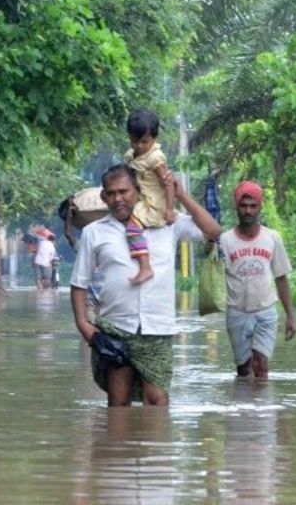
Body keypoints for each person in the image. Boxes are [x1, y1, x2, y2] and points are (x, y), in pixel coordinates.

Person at [70, 164, 221, 407]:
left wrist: (180, 195)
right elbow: (79, 283)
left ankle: (153, 444)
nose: (118, 198)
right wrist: (84, 326)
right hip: (115, 328)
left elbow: (213, 231)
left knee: (157, 401)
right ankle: (120, 446)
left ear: (138, 191)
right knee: (118, 403)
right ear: (103, 197)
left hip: (158, 329)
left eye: (124, 191)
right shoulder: (94, 232)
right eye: (111, 193)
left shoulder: (167, 221)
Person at [216, 180, 296, 380]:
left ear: (260, 207)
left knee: (261, 367)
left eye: (253, 206)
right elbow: (215, 278)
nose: (248, 211)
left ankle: (263, 410)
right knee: (244, 371)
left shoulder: (272, 238)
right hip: (237, 313)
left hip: (266, 312)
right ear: (237, 207)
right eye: (243, 206)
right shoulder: (225, 240)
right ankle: (245, 410)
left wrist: (290, 316)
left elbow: (281, 278)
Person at [123, 109, 176, 285]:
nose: (139, 146)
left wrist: (169, 209)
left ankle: (145, 267)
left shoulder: (155, 158)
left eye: (144, 142)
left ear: (154, 138)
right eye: (134, 141)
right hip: (140, 198)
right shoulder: (131, 156)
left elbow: (168, 183)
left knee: (131, 229)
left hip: (153, 204)